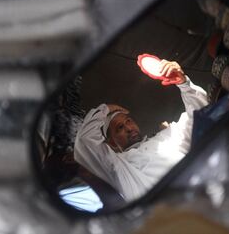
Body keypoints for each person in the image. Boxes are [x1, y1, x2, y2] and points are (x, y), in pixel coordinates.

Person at [74, 60, 208, 201]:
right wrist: (107, 108)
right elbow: (85, 140)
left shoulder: (165, 137)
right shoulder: (119, 167)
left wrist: (183, 83)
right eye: (120, 128)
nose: (128, 128)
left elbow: (200, 115)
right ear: (112, 143)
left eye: (128, 121)